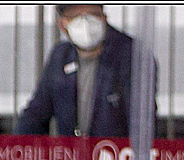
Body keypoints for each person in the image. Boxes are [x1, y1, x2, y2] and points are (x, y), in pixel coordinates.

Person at [15, 5, 146, 137]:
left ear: (104, 18)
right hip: (71, 154)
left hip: (116, 154)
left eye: (93, 14)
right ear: (62, 25)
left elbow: (143, 123)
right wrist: (19, 149)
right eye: (75, 16)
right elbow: (35, 115)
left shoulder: (133, 56)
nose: (85, 22)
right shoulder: (60, 57)